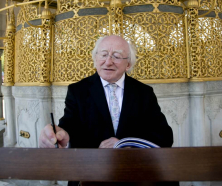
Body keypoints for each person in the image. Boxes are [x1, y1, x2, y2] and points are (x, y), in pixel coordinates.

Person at [39, 35, 173, 149]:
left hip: (132, 170)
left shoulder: (144, 93)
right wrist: (62, 136)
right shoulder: (78, 91)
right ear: (95, 59)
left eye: (117, 56)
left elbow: (164, 136)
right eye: (103, 55)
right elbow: (69, 129)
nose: (108, 62)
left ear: (128, 64)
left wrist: (127, 144)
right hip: (91, 170)